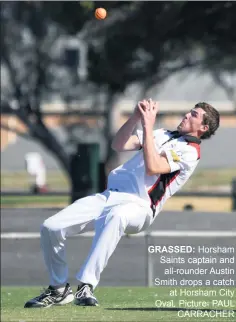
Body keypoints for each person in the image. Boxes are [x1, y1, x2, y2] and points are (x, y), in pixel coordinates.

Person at [24, 99, 220, 308]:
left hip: (140, 207)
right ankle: (59, 289)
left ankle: (87, 284)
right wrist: (136, 117)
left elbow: (153, 167)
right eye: (189, 111)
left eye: (194, 115)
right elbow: (119, 144)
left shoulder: (190, 151)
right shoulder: (162, 133)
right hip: (110, 196)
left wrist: (147, 123)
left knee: (117, 216)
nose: (187, 115)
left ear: (203, 128)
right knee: (51, 227)